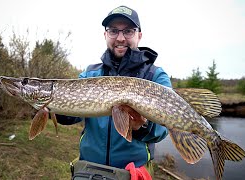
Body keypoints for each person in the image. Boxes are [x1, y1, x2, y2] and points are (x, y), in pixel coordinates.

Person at [56, 5, 172, 177]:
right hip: (88, 171)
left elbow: (166, 126)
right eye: (113, 31)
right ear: (105, 35)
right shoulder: (90, 74)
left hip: (132, 173)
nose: (120, 38)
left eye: (128, 31)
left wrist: (143, 126)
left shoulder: (155, 75)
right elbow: (71, 114)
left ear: (139, 35)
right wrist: (51, 105)